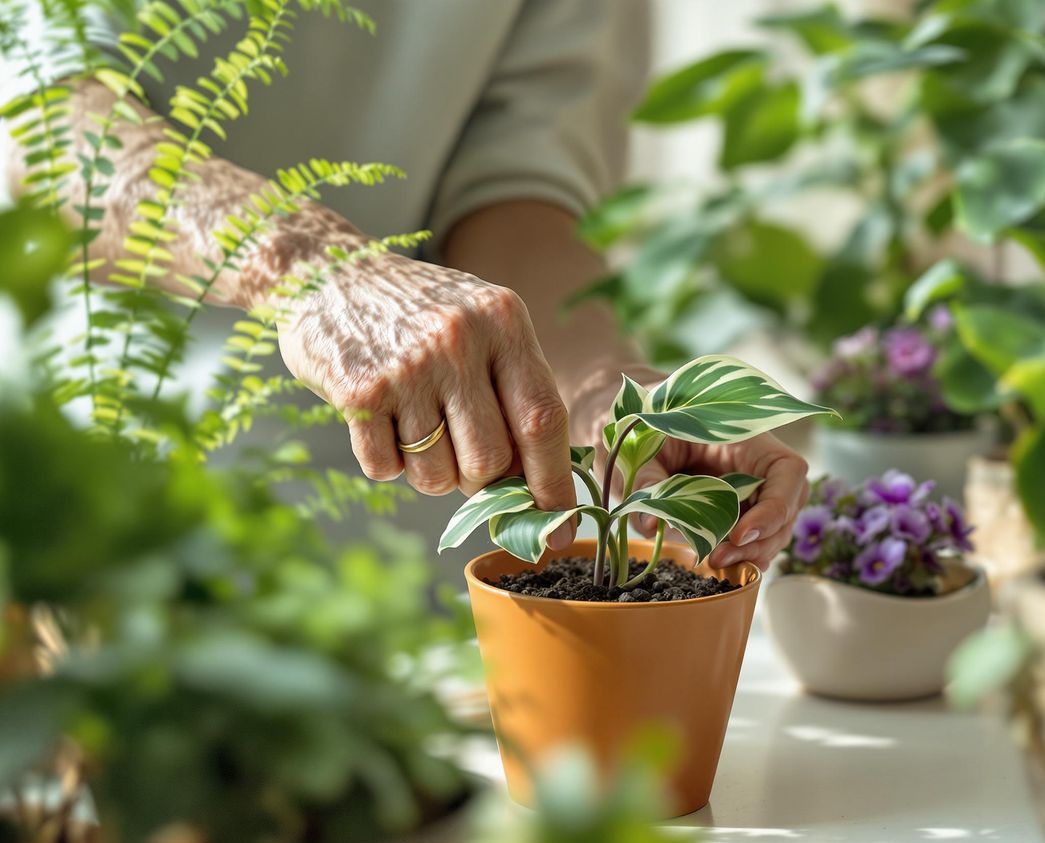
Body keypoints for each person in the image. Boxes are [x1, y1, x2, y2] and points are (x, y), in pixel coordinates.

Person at [3, 0, 809, 568]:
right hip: (106, 522)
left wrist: (602, 391)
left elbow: (513, 181)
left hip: (415, 543)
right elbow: (46, 133)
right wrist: (312, 266)